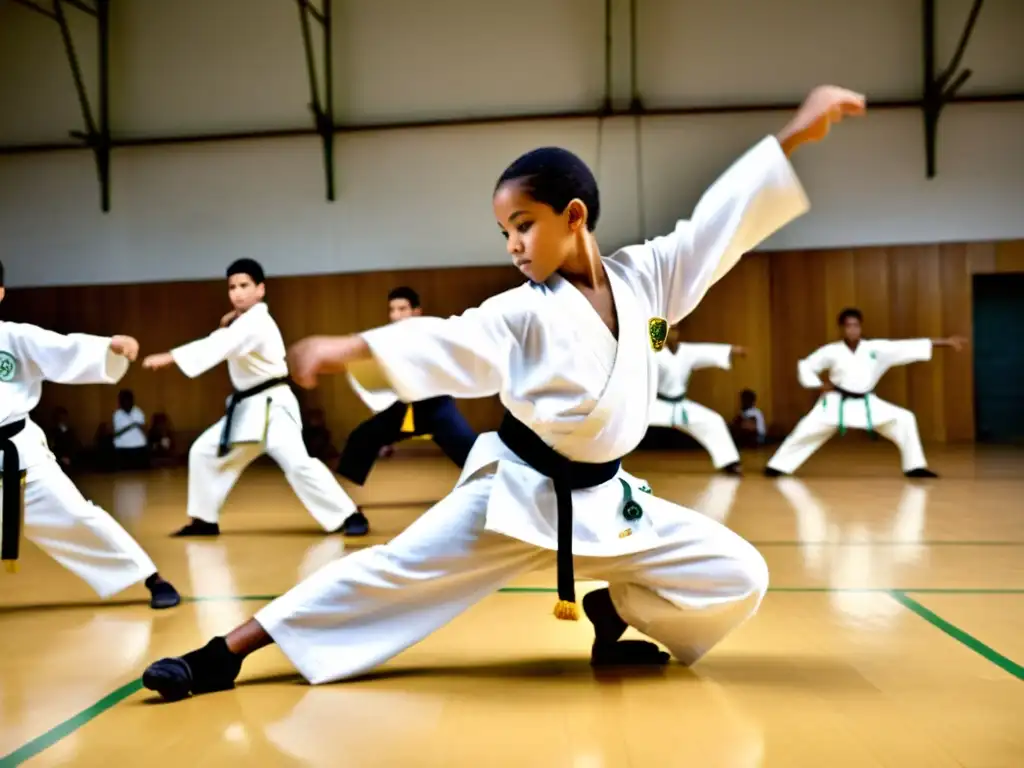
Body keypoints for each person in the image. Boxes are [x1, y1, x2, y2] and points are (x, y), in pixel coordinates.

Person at [141, 85, 864, 701]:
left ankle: (612, 611)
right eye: (503, 233)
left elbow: (720, 224)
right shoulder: (521, 309)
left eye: (524, 226)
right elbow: (450, 341)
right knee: (388, 571)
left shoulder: (648, 277)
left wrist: (795, 135)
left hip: (610, 502)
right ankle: (226, 652)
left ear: (573, 216)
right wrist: (353, 348)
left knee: (740, 574)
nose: (514, 246)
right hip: (517, 498)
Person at [0, 259, 180, 609]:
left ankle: (149, 576)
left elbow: (63, 349)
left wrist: (107, 348)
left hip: (19, 454)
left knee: (76, 514)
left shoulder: (14, 337)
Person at [141, 259, 358, 537]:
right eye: (232, 287)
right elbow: (227, 341)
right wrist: (223, 329)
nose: (238, 293)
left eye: (244, 285)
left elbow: (223, 345)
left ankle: (348, 515)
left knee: (297, 463)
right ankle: (204, 520)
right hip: (248, 409)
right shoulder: (242, 323)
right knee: (203, 452)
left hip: (274, 406)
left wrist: (172, 356)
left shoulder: (257, 321)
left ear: (260, 290)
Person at [335, 286, 479, 536]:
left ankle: (504, 499)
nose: (396, 315)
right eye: (392, 310)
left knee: (475, 454)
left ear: (416, 312)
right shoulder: (385, 338)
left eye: (402, 309)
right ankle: (346, 508)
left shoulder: (431, 334)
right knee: (362, 437)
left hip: (436, 408)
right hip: (403, 410)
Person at [764, 307, 966, 478]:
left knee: (904, 418)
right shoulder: (831, 351)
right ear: (842, 328)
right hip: (837, 402)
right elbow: (806, 365)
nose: (852, 329)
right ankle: (777, 466)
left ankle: (915, 467)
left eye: (856, 325)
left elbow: (907, 346)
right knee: (806, 430)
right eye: (848, 325)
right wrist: (817, 385)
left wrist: (946, 342)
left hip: (867, 403)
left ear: (861, 327)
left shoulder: (876, 348)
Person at [648, 326, 745, 474]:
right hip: (656, 405)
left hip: (681, 405)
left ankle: (730, 462)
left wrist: (732, 350)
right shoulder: (652, 352)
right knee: (626, 422)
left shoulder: (687, 351)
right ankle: (608, 463)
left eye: (674, 330)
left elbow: (708, 352)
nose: (671, 334)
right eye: (667, 330)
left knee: (713, 421)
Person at [112, 389, 149, 470]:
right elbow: (116, 434)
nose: (126, 402)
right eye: (123, 400)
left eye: (128, 400)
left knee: (140, 475)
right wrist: (131, 426)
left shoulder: (138, 412)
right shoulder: (117, 414)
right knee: (123, 476)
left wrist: (139, 426)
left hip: (139, 447)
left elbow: (145, 429)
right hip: (122, 448)